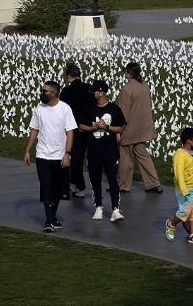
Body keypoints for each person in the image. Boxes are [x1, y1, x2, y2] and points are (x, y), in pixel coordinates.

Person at [23, 81, 76, 233]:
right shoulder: (39, 108)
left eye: (44, 91)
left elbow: (70, 132)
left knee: (57, 189)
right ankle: (49, 220)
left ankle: (52, 218)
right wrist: (28, 150)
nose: (42, 93)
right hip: (42, 155)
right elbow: (34, 130)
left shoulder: (65, 109)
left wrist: (67, 153)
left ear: (53, 93)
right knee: (46, 187)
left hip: (60, 156)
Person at [79, 80, 127, 222]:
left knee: (113, 179)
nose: (93, 93)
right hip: (94, 150)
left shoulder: (114, 109)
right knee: (95, 179)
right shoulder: (89, 108)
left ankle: (115, 209)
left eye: (95, 91)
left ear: (102, 92)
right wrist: (93, 128)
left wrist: (106, 128)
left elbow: (121, 127)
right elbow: (81, 126)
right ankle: (98, 207)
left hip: (110, 150)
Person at [115, 62, 162, 194]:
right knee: (143, 155)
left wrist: (119, 130)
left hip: (129, 129)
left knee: (125, 158)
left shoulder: (127, 89)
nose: (125, 75)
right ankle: (153, 183)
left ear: (129, 74)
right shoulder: (144, 86)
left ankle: (124, 185)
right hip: (142, 128)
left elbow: (123, 113)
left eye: (126, 72)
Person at [165, 128, 193, 245]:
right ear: (189, 141)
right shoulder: (180, 154)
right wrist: (184, 190)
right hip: (185, 188)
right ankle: (171, 223)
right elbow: (178, 174)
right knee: (185, 211)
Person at [59, 61, 94, 199]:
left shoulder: (67, 91)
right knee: (83, 158)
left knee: (72, 157)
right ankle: (74, 184)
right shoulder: (89, 89)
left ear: (69, 76)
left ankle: (77, 186)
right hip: (89, 128)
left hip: (73, 128)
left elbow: (62, 111)